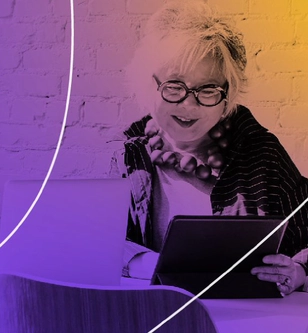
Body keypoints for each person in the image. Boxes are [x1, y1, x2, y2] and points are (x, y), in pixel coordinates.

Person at [120, 1, 308, 297]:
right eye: (173, 86)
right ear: (149, 84)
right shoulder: (128, 156)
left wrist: (298, 272)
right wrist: (144, 263)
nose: (188, 104)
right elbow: (89, 245)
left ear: (227, 96)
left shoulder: (263, 154)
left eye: (207, 90)